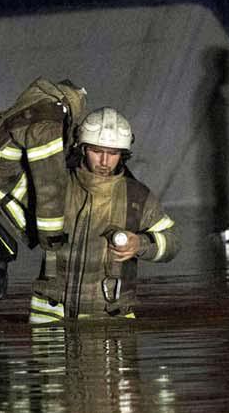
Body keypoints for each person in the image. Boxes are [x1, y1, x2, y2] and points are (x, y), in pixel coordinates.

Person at [29, 107, 179, 324]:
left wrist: (140, 244)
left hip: (110, 318)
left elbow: (173, 241)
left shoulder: (137, 197)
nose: (104, 161)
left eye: (113, 153)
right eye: (97, 151)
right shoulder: (57, 187)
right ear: (82, 149)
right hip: (50, 318)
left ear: (123, 155)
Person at [0, 77, 89, 300]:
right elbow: (49, 186)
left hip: (1, 190)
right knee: (66, 218)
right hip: (7, 192)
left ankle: (0, 246)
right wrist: (54, 249)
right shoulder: (48, 125)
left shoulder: (34, 107)